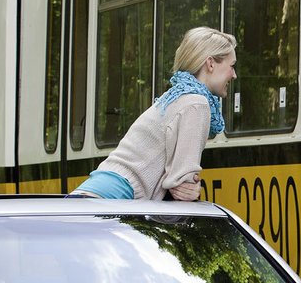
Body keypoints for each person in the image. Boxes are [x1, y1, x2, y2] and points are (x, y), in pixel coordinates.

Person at [69, 26, 237, 200]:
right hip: (118, 196)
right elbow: (182, 186)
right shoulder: (196, 104)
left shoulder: (176, 96)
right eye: (231, 66)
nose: (234, 75)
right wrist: (190, 190)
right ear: (210, 63)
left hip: (96, 191)